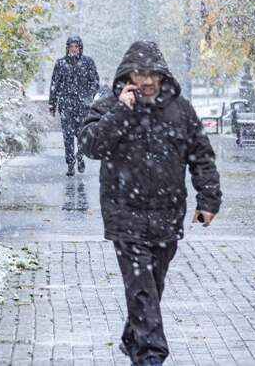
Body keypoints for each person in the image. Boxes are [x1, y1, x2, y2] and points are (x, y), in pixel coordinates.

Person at [79, 41, 222, 366]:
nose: (146, 81)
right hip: (124, 217)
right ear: (127, 75)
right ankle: (151, 356)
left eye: (152, 74)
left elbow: (201, 155)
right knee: (142, 288)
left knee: (152, 287)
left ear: (161, 75)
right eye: (139, 74)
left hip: (167, 216)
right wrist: (120, 112)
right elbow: (91, 146)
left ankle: (133, 337)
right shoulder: (108, 107)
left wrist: (208, 199)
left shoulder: (180, 110)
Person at [49, 36, 99, 176]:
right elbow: (54, 85)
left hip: (82, 106)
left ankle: (80, 156)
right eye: (71, 47)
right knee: (67, 136)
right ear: (67, 48)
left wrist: (89, 97)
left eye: (76, 47)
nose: (74, 49)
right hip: (66, 105)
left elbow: (95, 82)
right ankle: (70, 163)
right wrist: (52, 104)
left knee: (82, 134)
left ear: (80, 48)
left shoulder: (87, 63)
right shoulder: (60, 64)